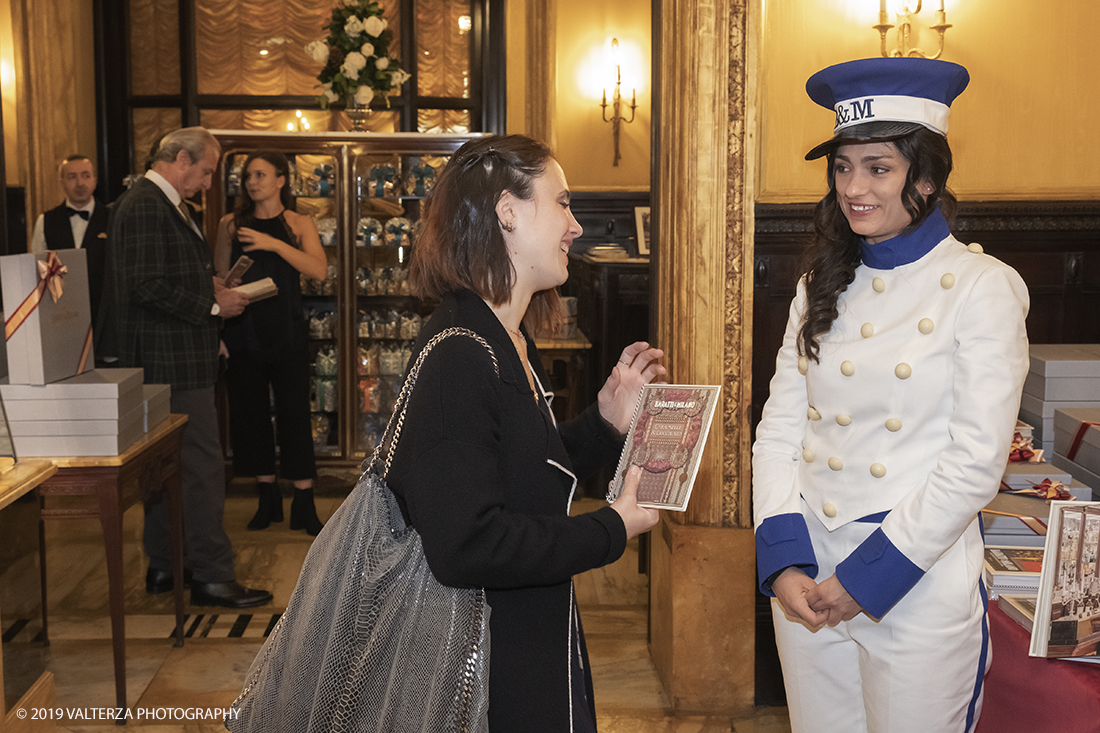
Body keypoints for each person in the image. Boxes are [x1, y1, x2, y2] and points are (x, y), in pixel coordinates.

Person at [752, 58, 1030, 733]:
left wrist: (865, 579)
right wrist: (784, 558)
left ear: (926, 177)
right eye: (843, 167)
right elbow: (780, 429)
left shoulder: (981, 286)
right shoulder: (819, 284)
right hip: (810, 581)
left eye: (878, 168)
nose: (854, 187)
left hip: (912, 585)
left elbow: (973, 462)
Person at [385, 134, 664, 731]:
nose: (576, 226)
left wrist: (604, 422)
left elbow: (518, 473)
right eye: (562, 203)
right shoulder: (460, 353)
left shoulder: (502, 337)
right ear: (506, 212)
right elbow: (468, 544)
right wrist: (609, 529)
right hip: (484, 670)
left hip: (526, 640)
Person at [102, 126, 272, 609]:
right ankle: (212, 576)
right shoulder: (144, 205)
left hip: (175, 354)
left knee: (166, 470)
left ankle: (166, 565)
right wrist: (213, 310)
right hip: (168, 361)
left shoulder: (161, 205)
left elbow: (165, 278)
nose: (207, 180)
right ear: (180, 158)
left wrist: (210, 290)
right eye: (205, 170)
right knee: (200, 468)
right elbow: (145, 286)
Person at [213, 152, 328, 535]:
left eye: (260, 174)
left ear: (281, 179)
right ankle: (267, 499)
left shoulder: (298, 222)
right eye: (248, 175)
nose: (252, 181)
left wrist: (271, 243)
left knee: (296, 414)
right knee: (251, 416)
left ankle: (304, 502)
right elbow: (218, 279)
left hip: (286, 330)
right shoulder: (230, 223)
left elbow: (318, 269)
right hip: (243, 331)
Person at [31, 155, 110, 331]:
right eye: (72, 177)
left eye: (86, 175)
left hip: (104, 317)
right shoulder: (45, 221)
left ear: (95, 181)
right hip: (60, 316)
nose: (80, 183)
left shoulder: (113, 219)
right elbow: (36, 269)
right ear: (62, 182)